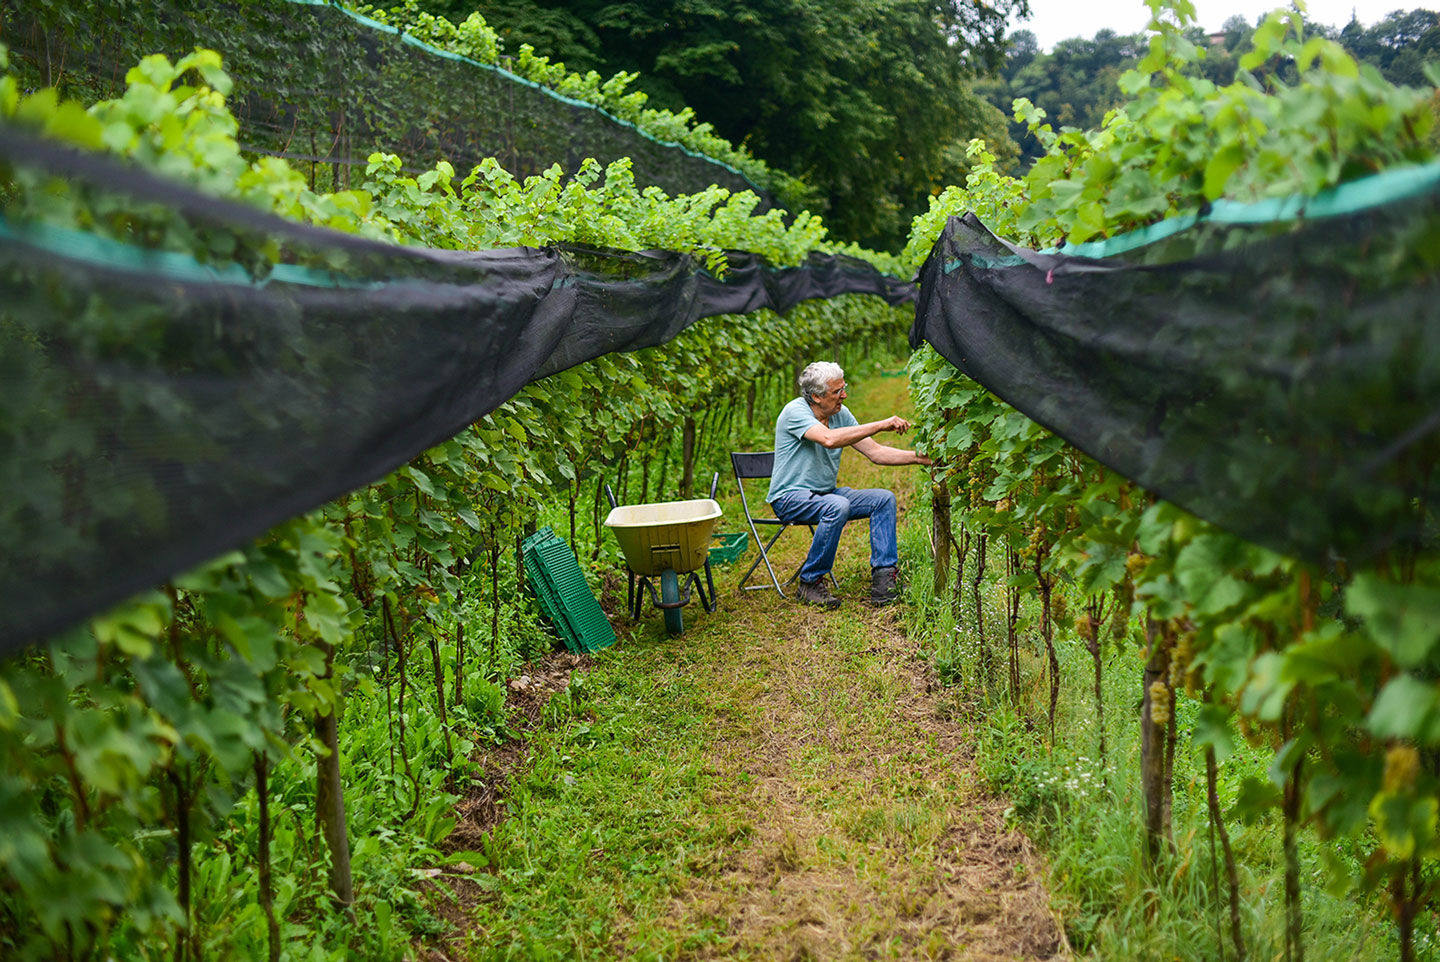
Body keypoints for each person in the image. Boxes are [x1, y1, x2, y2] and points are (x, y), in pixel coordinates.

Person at [767, 361, 932, 608]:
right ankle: (810, 582)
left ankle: (884, 579)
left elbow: (875, 452)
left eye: (844, 388)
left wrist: (921, 459)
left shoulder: (839, 414)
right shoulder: (795, 412)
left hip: (825, 495)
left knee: (882, 499)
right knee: (837, 505)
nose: (844, 395)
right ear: (816, 397)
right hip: (790, 499)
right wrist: (881, 424)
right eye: (837, 392)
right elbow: (829, 439)